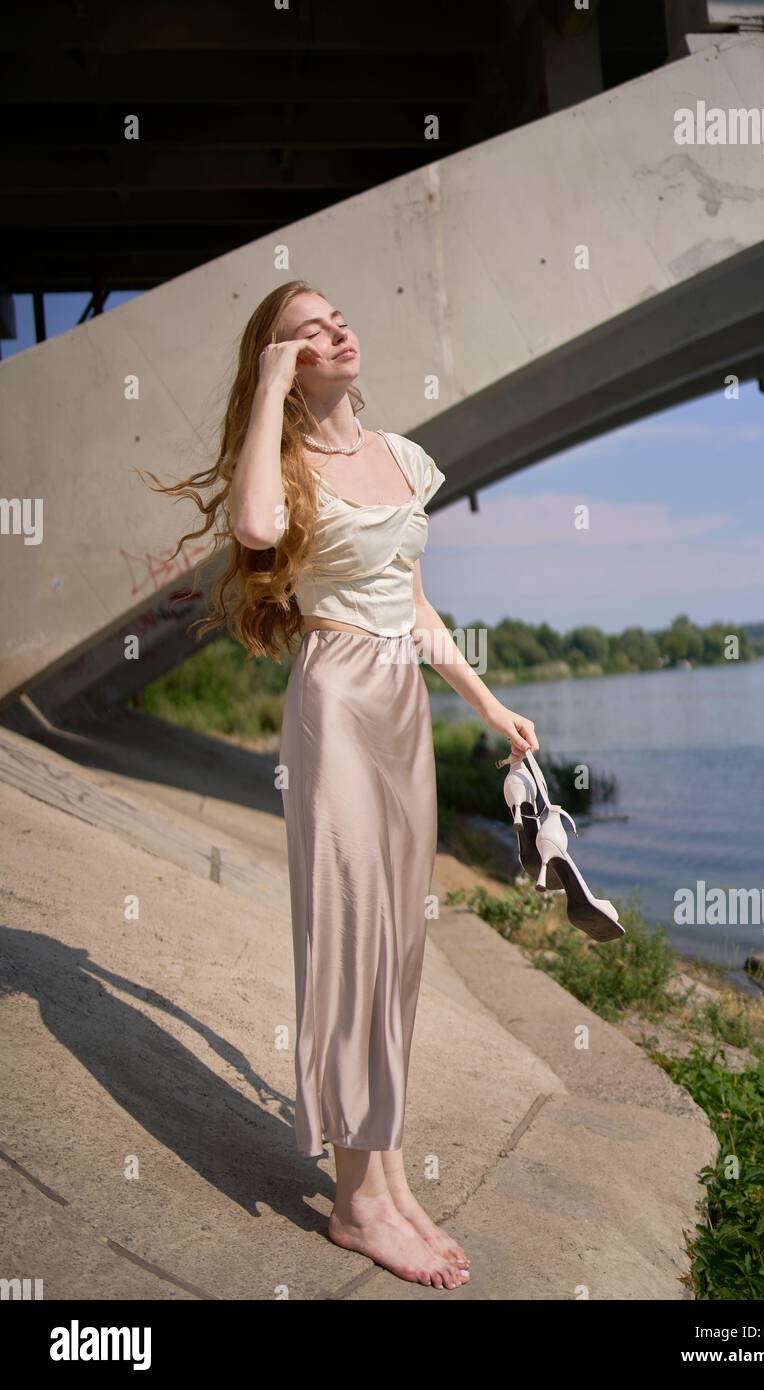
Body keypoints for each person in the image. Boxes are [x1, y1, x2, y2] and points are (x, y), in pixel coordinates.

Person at [146, 279, 539, 1291]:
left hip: (401, 702)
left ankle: (385, 1170)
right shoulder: (281, 469)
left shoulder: (404, 458)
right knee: (352, 926)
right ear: (285, 362)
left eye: (335, 316)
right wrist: (268, 380)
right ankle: (356, 1204)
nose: (335, 330)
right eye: (306, 330)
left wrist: (487, 707)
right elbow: (254, 530)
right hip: (335, 697)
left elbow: (413, 607)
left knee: (397, 939)